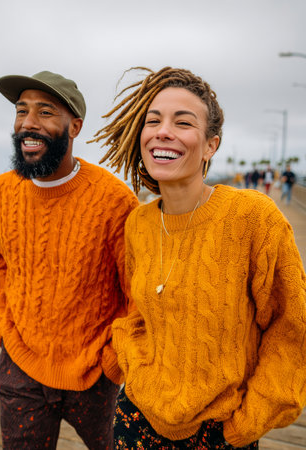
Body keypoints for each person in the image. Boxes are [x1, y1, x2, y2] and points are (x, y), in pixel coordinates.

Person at [91, 67, 306, 449]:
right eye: (152, 120)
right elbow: (137, 312)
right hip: (135, 418)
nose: (163, 131)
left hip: (219, 433)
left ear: (210, 145)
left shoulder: (252, 217)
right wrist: (132, 362)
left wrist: (246, 423)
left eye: (183, 122)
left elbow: (293, 329)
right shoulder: (139, 222)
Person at [0, 71, 138, 449]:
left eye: (45, 112)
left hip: (93, 373)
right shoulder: (2, 191)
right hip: (20, 363)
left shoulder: (114, 201)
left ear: (75, 127)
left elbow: (136, 291)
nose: (29, 124)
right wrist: (3, 326)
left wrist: (112, 360)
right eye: (21, 112)